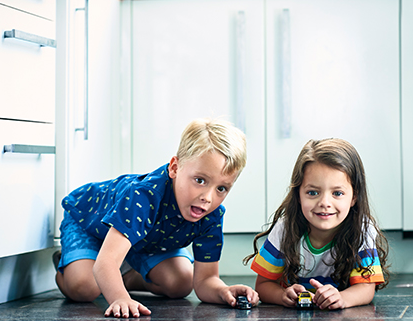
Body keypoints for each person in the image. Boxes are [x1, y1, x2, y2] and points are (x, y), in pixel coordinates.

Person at [54, 118, 259, 318]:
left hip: (143, 241)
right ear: (175, 168)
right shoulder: (141, 197)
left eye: (221, 188)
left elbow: (206, 279)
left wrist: (223, 291)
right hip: (88, 223)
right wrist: (119, 298)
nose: (208, 197)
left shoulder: (212, 215)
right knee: (85, 287)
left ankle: (123, 273)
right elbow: (105, 262)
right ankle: (68, 262)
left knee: (181, 283)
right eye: (200, 180)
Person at [244, 138, 389, 310]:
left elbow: (366, 288)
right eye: (313, 192)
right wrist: (282, 295)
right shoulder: (285, 229)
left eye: (337, 193)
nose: (325, 203)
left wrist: (341, 298)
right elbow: (263, 284)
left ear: (354, 197)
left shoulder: (362, 230)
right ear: (298, 194)